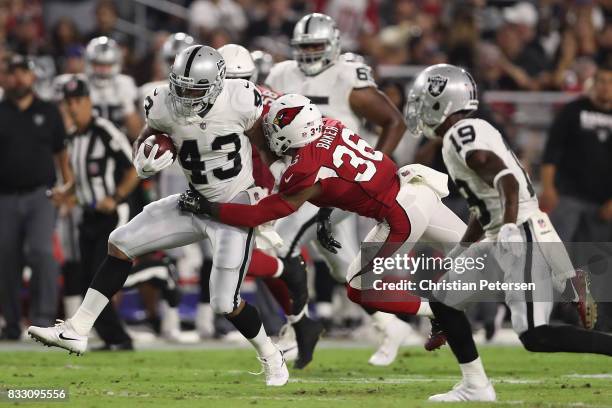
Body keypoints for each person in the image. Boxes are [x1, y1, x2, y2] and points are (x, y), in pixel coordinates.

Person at [174, 93, 497, 402]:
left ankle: (436, 310)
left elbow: (261, 213)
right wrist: (329, 210)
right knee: (483, 250)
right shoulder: (328, 125)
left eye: (275, 130)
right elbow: (339, 176)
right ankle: (524, 291)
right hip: (416, 189)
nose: (270, 134)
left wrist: (209, 208)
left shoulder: (303, 169)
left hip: (400, 213)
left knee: (359, 290)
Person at [28, 45, 289, 387]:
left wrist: (266, 198)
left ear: (217, 84)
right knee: (120, 242)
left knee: (225, 302)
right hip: (193, 201)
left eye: (194, 89)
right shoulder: (162, 101)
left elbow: (266, 149)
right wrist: (144, 160)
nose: (184, 96)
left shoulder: (241, 98)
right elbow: (145, 139)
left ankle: (271, 357)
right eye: (179, 86)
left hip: (232, 207)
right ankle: (77, 329)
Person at [406, 63, 612, 401]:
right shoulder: (464, 133)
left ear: (443, 101)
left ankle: (579, 298)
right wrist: (457, 253)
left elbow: (505, 179)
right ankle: (476, 386)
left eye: (423, 100)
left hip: (520, 232)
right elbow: (483, 205)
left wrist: (512, 228)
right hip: (502, 231)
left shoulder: (460, 134)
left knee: (535, 336)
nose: (417, 108)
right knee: (442, 300)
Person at [264, 12, 415, 366]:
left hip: (331, 181)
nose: (310, 53)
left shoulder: (347, 74)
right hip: (298, 177)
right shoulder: (281, 74)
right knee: (341, 263)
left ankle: (294, 328)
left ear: (332, 45)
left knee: (278, 244)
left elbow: (394, 121)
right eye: (305, 47)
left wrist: (374, 165)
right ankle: (390, 324)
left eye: (316, 45)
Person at [219, 43, 323, 368]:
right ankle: (301, 322)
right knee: (245, 260)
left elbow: (292, 143)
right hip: (233, 186)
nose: (235, 88)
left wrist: (271, 187)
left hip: (266, 187)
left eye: (242, 80)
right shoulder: (207, 99)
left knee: (239, 260)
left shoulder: (268, 101)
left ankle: (300, 315)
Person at [61, 75, 139, 350]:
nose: (73, 107)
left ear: (88, 102)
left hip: (111, 214)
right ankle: (112, 338)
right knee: (86, 279)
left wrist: (116, 196)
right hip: (88, 216)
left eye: (77, 101)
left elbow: (134, 167)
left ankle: (120, 338)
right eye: (68, 102)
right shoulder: (72, 138)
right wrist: (67, 193)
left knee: (99, 275)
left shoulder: (105, 130)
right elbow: (78, 179)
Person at [0, 54, 73, 340]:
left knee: (43, 253)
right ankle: (11, 322)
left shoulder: (49, 111)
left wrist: (67, 187)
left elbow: (62, 152)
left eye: (23, 73)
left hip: (41, 195)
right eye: (13, 73)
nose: (18, 78)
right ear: (5, 77)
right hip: (4, 197)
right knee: (6, 259)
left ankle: (42, 321)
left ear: (33, 77)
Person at [540, 61, 612, 331]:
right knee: (556, 257)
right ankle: (547, 315)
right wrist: (549, 188)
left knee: (598, 261)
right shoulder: (574, 110)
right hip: (568, 196)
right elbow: (552, 151)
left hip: (602, 203)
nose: (605, 87)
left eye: (610, 82)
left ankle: (594, 320)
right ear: (592, 83)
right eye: (601, 81)